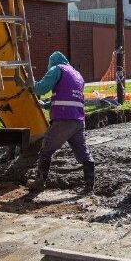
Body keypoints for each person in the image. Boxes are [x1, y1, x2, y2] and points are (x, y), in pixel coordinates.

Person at [26, 51, 95, 192]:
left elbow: (41, 88)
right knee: (83, 152)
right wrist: (46, 105)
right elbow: (67, 97)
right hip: (78, 120)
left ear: (52, 62)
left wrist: (30, 83)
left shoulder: (56, 69)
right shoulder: (77, 74)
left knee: (46, 149)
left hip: (64, 119)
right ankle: (89, 185)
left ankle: (39, 182)